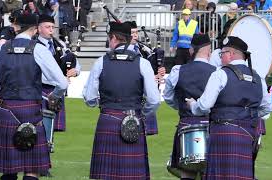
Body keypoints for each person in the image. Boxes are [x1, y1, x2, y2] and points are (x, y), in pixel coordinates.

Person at [0, 14, 68, 180]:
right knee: (32, 167)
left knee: (9, 167)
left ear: (15, 27)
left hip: (6, 110)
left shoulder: (1, 49)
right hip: (31, 110)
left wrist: (2, 90)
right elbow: (62, 84)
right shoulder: (39, 49)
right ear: (35, 29)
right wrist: (53, 96)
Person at [186, 36, 272, 180]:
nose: (220, 58)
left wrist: (193, 106)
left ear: (231, 54)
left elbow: (205, 105)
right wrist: (247, 115)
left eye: (222, 54)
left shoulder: (220, 74)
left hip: (223, 131)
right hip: (248, 133)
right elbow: (267, 108)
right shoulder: (258, 77)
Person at [83, 21, 160, 180]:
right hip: (134, 120)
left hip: (107, 121)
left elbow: (89, 97)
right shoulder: (143, 63)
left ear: (113, 38)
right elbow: (154, 100)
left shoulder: (101, 62)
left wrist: (100, 104)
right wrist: (141, 114)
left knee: (105, 175)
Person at [163, 34, 216, 180]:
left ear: (191, 50)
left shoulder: (178, 70)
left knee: (187, 170)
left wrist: (181, 107)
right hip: (210, 125)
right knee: (209, 171)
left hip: (186, 123)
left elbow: (168, 96)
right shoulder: (217, 73)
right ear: (209, 51)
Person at [37, 14, 80, 132]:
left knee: (52, 131)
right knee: (40, 127)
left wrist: (75, 71)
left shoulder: (60, 44)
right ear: (39, 29)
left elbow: (73, 60)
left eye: (52, 27)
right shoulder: (34, 46)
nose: (51, 29)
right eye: (47, 27)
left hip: (57, 89)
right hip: (41, 89)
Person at [125, 20, 166, 135]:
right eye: (132, 33)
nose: (134, 35)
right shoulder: (124, 52)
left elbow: (150, 66)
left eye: (136, 32)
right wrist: (152, 78)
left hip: (145, 96)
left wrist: (160, 70)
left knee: (142, 135)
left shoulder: (144, 49)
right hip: (133, 97)